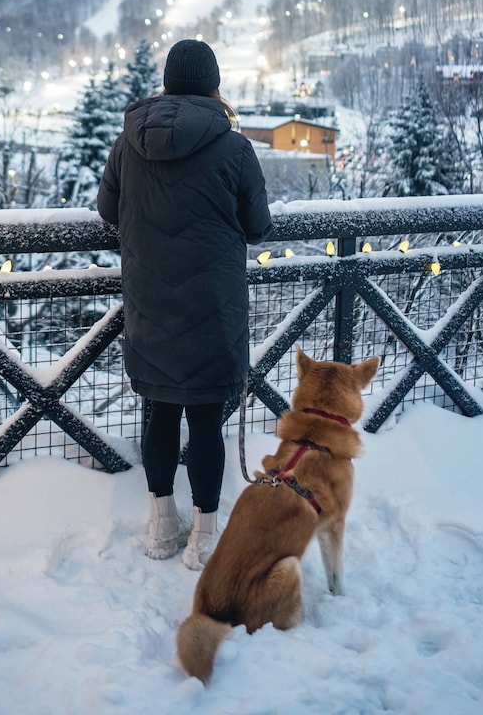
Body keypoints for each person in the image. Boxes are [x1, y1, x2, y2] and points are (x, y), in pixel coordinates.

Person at [97, 39, 271, 570]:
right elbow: (258, 226)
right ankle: (204, 536)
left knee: (159, 412)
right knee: (206, 421)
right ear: (213, 85)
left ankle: (161, 525)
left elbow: (107, 211)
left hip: (149, 302)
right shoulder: (234, 148)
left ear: (168, 83)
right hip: (212, 307)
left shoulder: (128, 143)